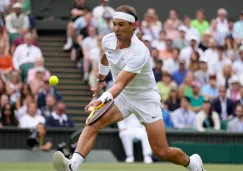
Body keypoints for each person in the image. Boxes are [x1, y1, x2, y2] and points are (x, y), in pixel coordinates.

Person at [52, 5, 205, 171]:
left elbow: (119, 83)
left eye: (121, 25)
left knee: (162, 151)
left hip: (146, 100)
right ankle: (73, 166)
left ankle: (194, 165)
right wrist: (101, 80)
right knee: (92, 123)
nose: (116, 29)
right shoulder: (108, 40)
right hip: (124, 97)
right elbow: (106, 57)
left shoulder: (140, 52)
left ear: (133, 26)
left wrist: (102, 99)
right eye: (114, 24)